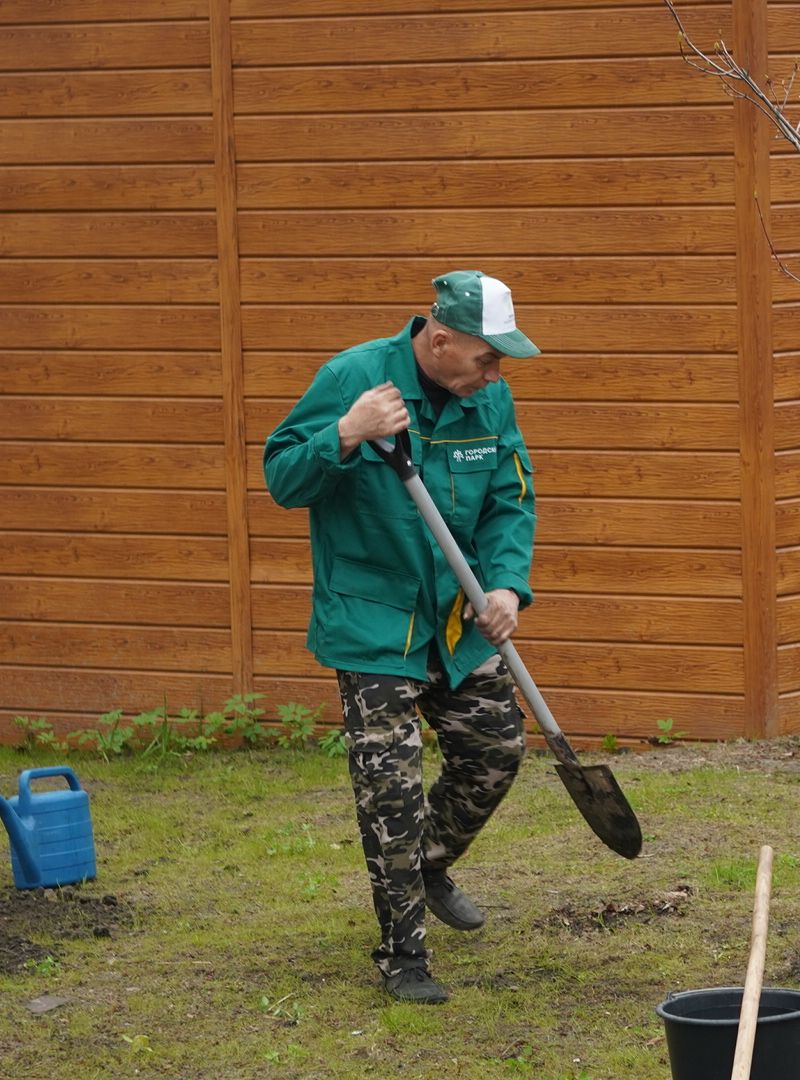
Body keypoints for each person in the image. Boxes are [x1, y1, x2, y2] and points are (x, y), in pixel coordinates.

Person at [263, 271, 541, 1004]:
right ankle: (403, 955)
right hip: (373, 620)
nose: (495, 373)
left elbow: (512, 495)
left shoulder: (490, 398)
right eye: (487, 358)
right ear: (440, 339)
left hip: (457, 616)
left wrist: (508, 584)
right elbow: (285, 478)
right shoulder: (353, 378)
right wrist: (345, 434)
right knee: (390, 792)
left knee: (496, 749)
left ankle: (428, 865)